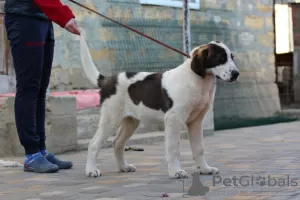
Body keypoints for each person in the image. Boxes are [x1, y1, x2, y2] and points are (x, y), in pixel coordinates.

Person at [4, 0, 81, 173]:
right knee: (29, 87)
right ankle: (31, 154)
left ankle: (41, 149)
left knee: (40, 88)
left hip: (43, 19)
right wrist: (64, 16)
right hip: (23, 19)